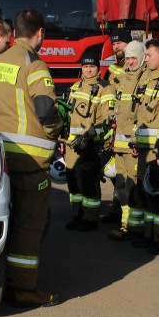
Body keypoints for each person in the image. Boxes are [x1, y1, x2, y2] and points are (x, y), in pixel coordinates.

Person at [0, 9, 63, 307]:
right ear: (40, 33)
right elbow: (46, 111)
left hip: (4, 157)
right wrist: (58, 129)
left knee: (8, 221)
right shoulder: (35, 64)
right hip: (31, 162)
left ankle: (2, 281)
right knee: (30, 226)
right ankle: (25, 288)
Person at [132, 38, 159, 253]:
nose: (146, 59)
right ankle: (151, 235)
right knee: (146, 193)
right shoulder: (148, 78)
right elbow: (141, 113)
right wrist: (135, 141)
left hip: (156, 150)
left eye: (149, 55)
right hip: (143, 148)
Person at [63, 55, 116, 232]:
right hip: (72, 144)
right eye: (85, 67)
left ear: (98, 68)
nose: (88, 70)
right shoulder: (75, 87)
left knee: (88, 180)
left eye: (92, 66)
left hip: (90, 144)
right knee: (73, 181)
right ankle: (76, 214)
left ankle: (90, 218)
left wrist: (92, 136)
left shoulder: (105, 88)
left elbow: (107, 119)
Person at [108, 40, 147, 241]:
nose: (131, 61)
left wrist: (136, 142)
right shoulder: (122, 78)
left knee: (134, 186)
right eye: (129, 58)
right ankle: (126, 224)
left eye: (134, 58)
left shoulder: (145, 79)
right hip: (119, 143)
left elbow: (143, 114)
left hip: (133, 144)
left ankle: (136, 228)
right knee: (122, 185)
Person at [101, 28, 132, 224]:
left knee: (127, 173)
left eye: (120, 43)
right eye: (114, 44)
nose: (116, 46)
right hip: (114, 125)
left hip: (128, 126)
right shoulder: (112, 68)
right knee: (115, 170)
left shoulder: (135, 65)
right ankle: (117, 208)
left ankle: (126, 212)